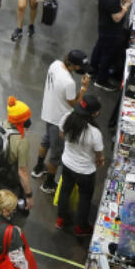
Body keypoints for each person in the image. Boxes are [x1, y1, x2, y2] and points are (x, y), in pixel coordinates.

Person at [32, 50, 90, 194]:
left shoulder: (55, 64)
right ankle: (48, 184)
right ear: (75, 67)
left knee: (45, 140)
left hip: (48, 112)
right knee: (56, 154)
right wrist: (83, 88)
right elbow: (75, 104)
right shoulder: (69, 82)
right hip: (59, 121)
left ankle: (38, 168)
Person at [55, 96, 105, 236]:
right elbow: (99, 154)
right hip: (85, 171)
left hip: (67, 163)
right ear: (94, 113)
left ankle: (61, 219)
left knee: (65, 190)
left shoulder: (66, 118)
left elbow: (61, 135)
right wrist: (100, 160)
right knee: (85, 198)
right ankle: (81, 227)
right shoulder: (94, 133)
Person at [91, 0, 133, 90]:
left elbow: (117, 4)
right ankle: (101, 80)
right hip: (110, 31)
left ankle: (91, 69)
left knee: (99, 47)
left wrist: (123, 0)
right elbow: (117, 18)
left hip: (104, 28)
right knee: (107, 55)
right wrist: (126, 6)